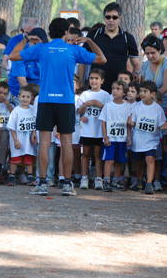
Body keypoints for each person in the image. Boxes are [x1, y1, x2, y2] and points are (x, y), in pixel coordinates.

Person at [10, 18, 106, 196]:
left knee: (44, 143)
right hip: (66, 102)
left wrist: (26, 39)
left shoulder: (41, 48)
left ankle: (42, 184)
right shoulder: (73, 49)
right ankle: (67, 184)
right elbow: (102, 58)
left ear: (49, 32)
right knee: (67, 142)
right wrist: (90, 41)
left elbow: (13, 56)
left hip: (46, 100)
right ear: (66, 33)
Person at [79, 3, 141, 91]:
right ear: (104, 18)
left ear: (119, 18)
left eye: (114, 17)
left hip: (120, 88)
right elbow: (82, 61)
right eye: (108, 17)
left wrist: (135, 73)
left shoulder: (128, 38)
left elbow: (136, 64)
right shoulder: (93, 35)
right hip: (96, 87)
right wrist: (81, 84)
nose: (111, 20)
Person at [128, 80, 167, 194]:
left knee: (150, 159)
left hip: (152, 141)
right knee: (139, 162)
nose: (142, 94)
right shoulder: (136, 106)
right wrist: (131, 123)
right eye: (141, 91)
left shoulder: (157, 109)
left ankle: (149, 183)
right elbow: (133, 122)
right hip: (138, 140)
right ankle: (140, 181)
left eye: (145, 91)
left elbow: (160, 125)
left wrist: (163, 127)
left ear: (153, 94)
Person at [78, 69, 111, 190]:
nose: (94, 81)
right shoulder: (85, 94)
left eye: (97, 78)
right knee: (86, 153)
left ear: (102, 80)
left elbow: (110, 112)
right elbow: (79, 111)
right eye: (91, 78)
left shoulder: (106, 95)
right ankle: (84, 177)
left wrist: (101, 106)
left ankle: (98, 178)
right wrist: (85, 105)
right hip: (87, 130)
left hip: (99, 131)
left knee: (98, 155)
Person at [99, 81, 132, 192]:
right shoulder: (108, 106)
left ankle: (116, 180)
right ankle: (107, 181)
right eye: (113, 88)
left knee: (119, 161)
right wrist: (105, 137)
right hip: (111, 139)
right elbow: (103, 122)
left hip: (122, 139)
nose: (114, 91)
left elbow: (128, 123)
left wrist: (129, 137)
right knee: (109, 160)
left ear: (124, 92)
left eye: (118, 89)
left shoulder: (128, 106)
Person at [7, 85, 37, 186]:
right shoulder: (16, 110)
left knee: (29, 157)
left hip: (28, 140)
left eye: (28, 97)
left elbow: (34, 124)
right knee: (15, 158)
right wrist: (15, 140)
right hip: (18, 139)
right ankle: (12, 176)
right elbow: (11, 127)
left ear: (31, 98)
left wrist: (34, 133)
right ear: (19, 97)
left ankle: (29, 176)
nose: (25, 99)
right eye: (23, 96)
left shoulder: (33, 109)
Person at [140, 35, 167, 111]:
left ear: (159, 51)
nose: (150, 56)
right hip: (150, 104)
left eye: (153, 53)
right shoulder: (145, 65)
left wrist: (150, 101)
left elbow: (166, 87)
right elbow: (144, 85)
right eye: (147, 54)